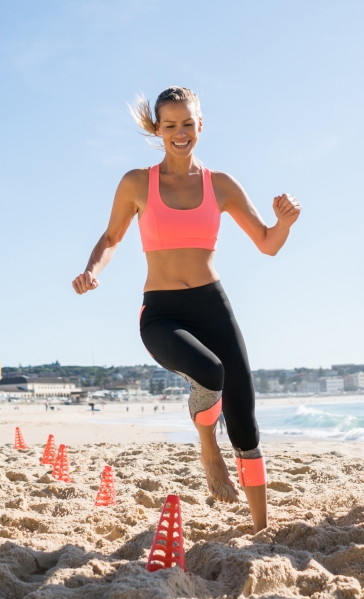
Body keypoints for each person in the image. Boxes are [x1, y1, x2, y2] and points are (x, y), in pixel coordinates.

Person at [72, 86, 301, 532]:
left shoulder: (221, 185)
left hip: (212, 304)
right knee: (209, 371)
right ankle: (206, 446)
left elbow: (268, 244)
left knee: (245, 419)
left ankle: (260, 529)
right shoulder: (138, 183)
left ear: (201, 125)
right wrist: (92, 270)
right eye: (170, 124)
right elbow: (112, 237)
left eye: (188, 123)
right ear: (157, 130)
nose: (180, 133)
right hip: (161, 313)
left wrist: (285, 224)